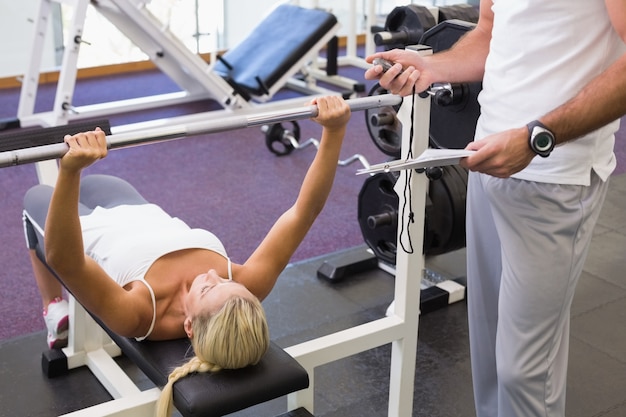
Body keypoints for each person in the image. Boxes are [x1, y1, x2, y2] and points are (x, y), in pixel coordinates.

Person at [365, 1, 626, 416]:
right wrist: (430, 66)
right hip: (486, 160)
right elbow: (489, 32)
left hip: (555, 176)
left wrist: (537, 136)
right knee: (488, 360)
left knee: (524, 374)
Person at [22, 95, 351, 417]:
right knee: (99, 178)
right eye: (224, 280)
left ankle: (53, 309)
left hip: (85, 229)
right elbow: (303, 212)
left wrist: (69, 173)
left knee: (35, 198)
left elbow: (65, 260)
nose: (211, 274)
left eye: (208, 289)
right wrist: (335, 131)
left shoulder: (139, 313)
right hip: (139, 210)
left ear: (190, 326)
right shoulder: (248, 285)